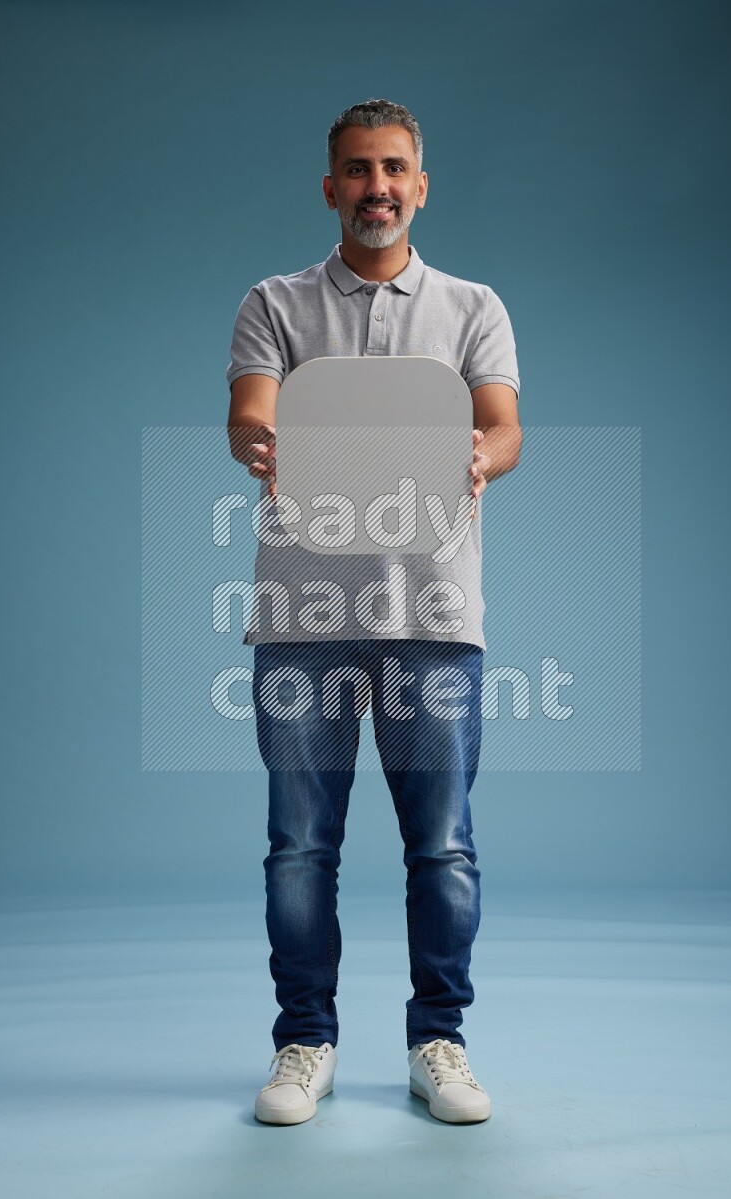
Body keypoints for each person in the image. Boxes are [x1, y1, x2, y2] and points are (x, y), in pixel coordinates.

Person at [225, 99, 521, 1126]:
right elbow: (251, 411)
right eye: (356, 169)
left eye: (393, 167)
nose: (376, 186)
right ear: (330, 187)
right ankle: (303, 1041)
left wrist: (482, 453)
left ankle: (437, 1039)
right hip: (302, 611)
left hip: (433, 608)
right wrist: (264, 441)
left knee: (439, 842)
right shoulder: (275, 300)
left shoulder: (474, 306)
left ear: (420, 184)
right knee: (300, 844)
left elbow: (501, 426)